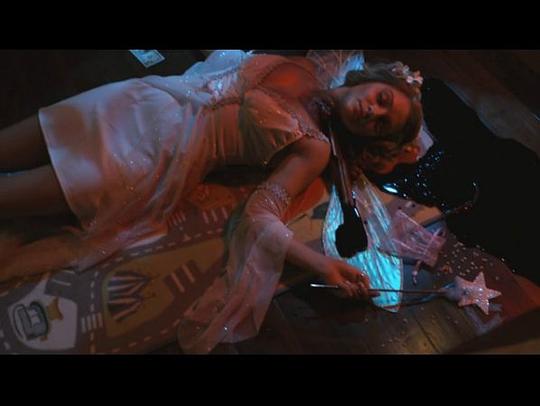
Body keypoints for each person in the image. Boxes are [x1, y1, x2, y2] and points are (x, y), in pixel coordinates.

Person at [0, 50, 425, 352]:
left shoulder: (315, 148)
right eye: (382, 100)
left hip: (152, 159)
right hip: (138, 99)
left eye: (381, 124)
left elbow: (260, 214)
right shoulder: (303, 65)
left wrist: (320, 264)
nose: (373, 112)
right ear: (372, 81)